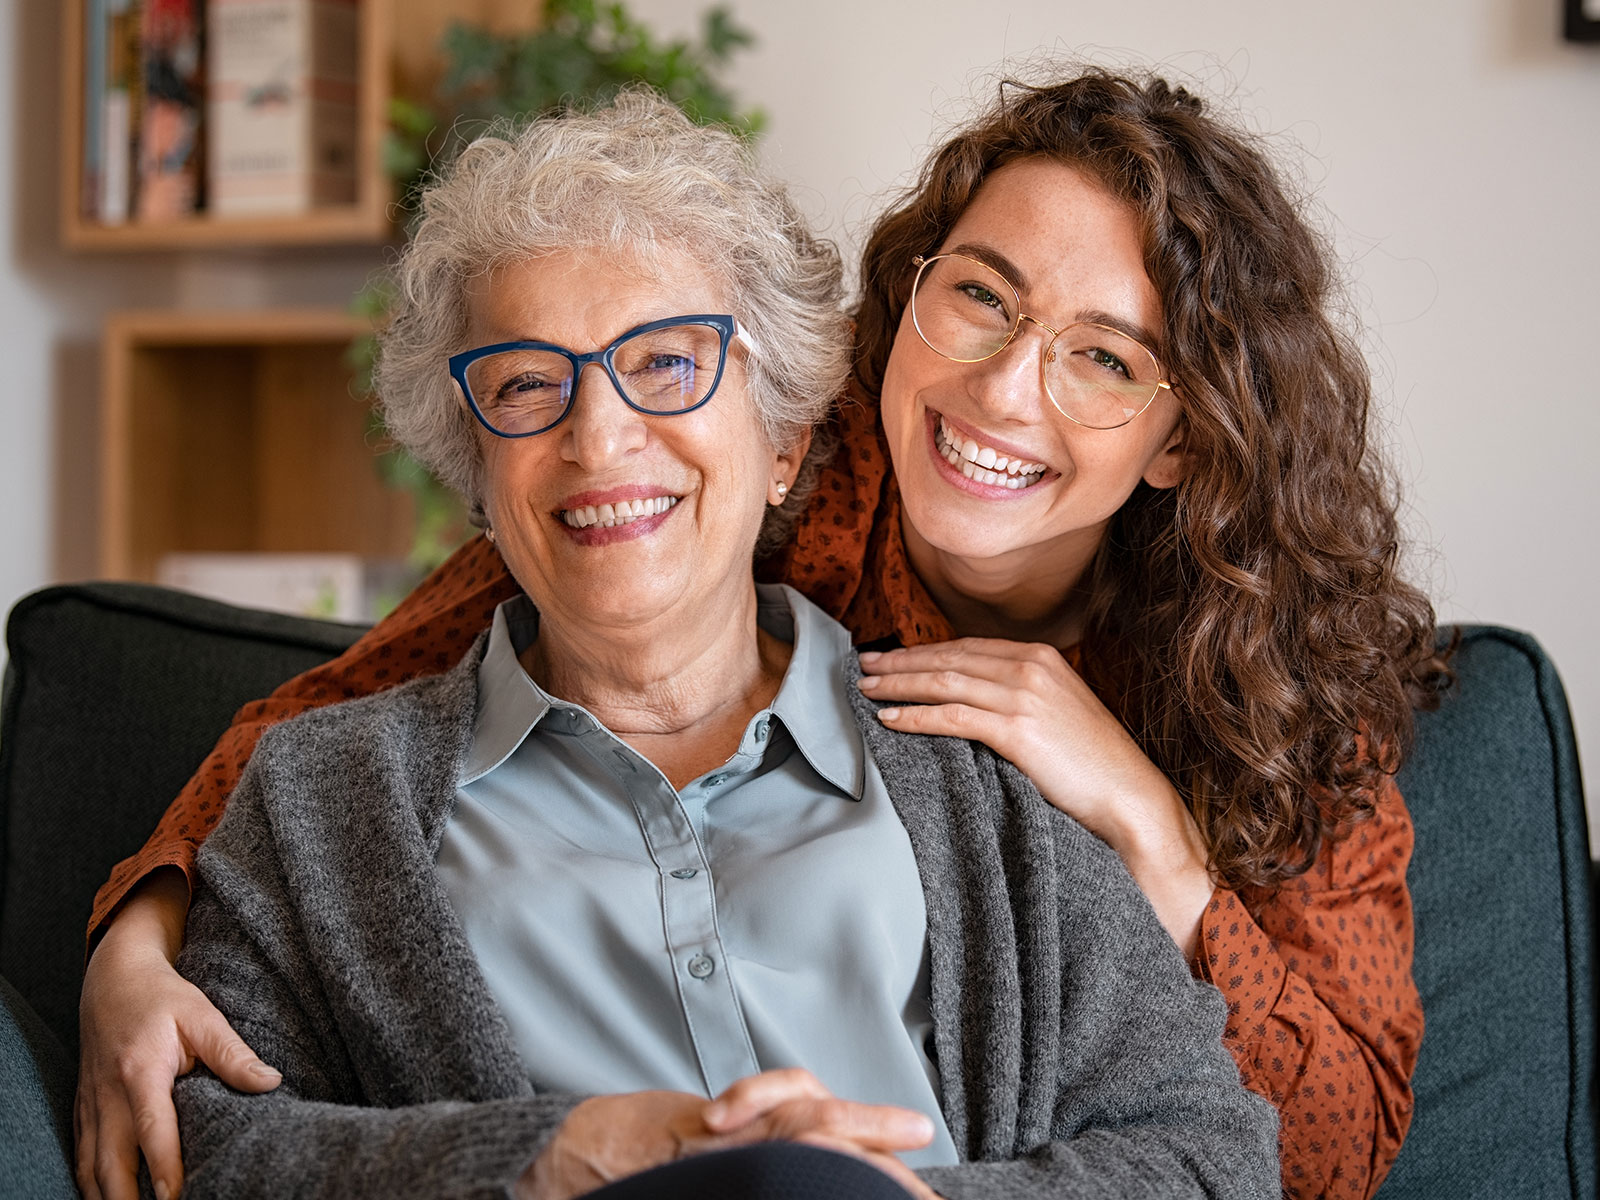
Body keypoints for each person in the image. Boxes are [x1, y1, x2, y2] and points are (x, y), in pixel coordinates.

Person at [78, 70, 1444, 1200]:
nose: (1003, 391)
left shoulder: (1154, 747)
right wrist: (134, 937)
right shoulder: (356, 776)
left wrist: (1150, 830)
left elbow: (1265, 1155)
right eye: (980, 295)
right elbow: (322, 730)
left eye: (1104, 355)